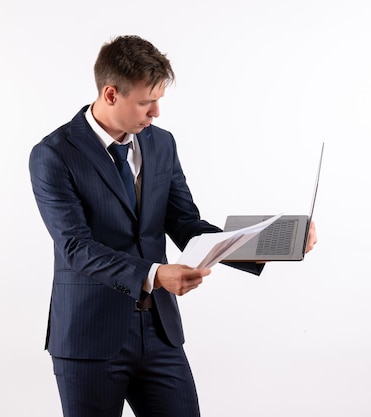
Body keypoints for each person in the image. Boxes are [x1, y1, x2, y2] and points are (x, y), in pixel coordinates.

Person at [29, 35, 317, 417]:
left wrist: (276, 241)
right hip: (89, 336)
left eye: (159, 100)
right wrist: (156, 274)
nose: (157, 112)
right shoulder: (53, 154)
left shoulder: (161, 144)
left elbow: (185, 224)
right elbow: (75, 247)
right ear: (111, 94)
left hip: (159, 332)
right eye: (147, 102)